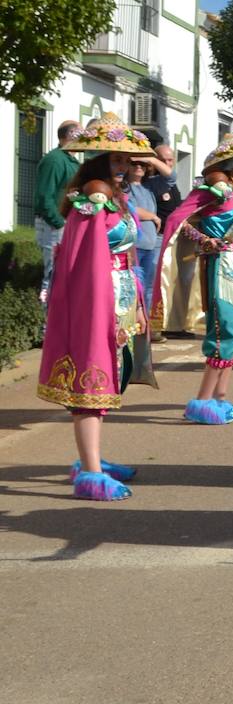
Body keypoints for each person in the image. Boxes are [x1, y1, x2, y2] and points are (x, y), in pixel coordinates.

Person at [35, 113, 157, 500]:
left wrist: (135, 305)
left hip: (119, 296)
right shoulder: (91, 204)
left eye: (126, 161)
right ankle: (89, 471)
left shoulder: (115, 201)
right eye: (115, 160)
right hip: (95, 302)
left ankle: (93, 459)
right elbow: (85, 265)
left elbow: (129, 257)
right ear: (98, 161)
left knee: (109, 380)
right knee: (91, 383)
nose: (123, 168)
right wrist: (102, 309)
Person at [153, 133, 233, 425]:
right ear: (230, 165)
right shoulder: (210, 192)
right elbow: (177, 222)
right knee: (223, 333)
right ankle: (201, 402)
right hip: (219, 269)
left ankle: (220, 398)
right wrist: (204, 240)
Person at [33, 120, 82, 303]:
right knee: (52, 273)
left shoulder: (71, 161)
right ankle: (46, 324)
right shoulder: (55, 160)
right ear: (70, 135)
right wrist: (60, 223)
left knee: (64, 274)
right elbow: (45, 196)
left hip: (65, 223)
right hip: (54, 225)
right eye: (80, 133)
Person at [124, 158, 162, 296]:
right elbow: (129, 209)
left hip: (150, 246)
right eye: (134, 163)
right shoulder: (125, 187)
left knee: (148, 288)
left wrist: (151, 159)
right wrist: (152, 216)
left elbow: (171, 177)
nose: (139, 167)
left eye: (143, 165)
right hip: (135, 246)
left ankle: (144, 318)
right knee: (134, 287)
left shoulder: (149, 187)